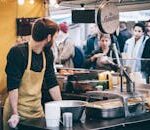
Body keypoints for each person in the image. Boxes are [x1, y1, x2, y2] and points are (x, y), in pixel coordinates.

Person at [3, 18, 62, 130]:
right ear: (48, 37)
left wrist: (62, 105)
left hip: (36, 111)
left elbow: (52, 82)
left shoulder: (47, 54)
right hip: (17, 113)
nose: (55, 41)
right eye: (55, 37)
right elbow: (12, 85)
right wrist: (15, 113)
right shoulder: (18, 52)